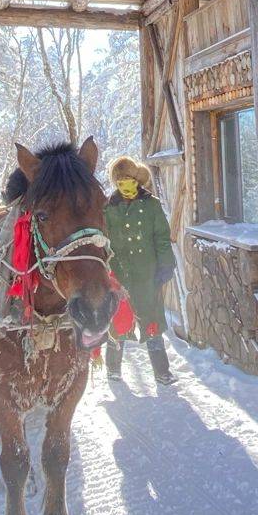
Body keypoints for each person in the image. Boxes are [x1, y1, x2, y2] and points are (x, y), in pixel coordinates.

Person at [103, 156, 177, 386]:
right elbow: (102, 241)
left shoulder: (151, 205)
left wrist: (166, 264)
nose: (125, 184)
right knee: (118, 321)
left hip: (148, 273)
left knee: (152, 320)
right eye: (120, 180)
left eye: (128, 179)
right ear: (116, 183)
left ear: (136, 179)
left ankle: (162, 372)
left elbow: (162, 238)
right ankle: (113, 369)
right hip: (119, 275)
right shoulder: (108, 207)